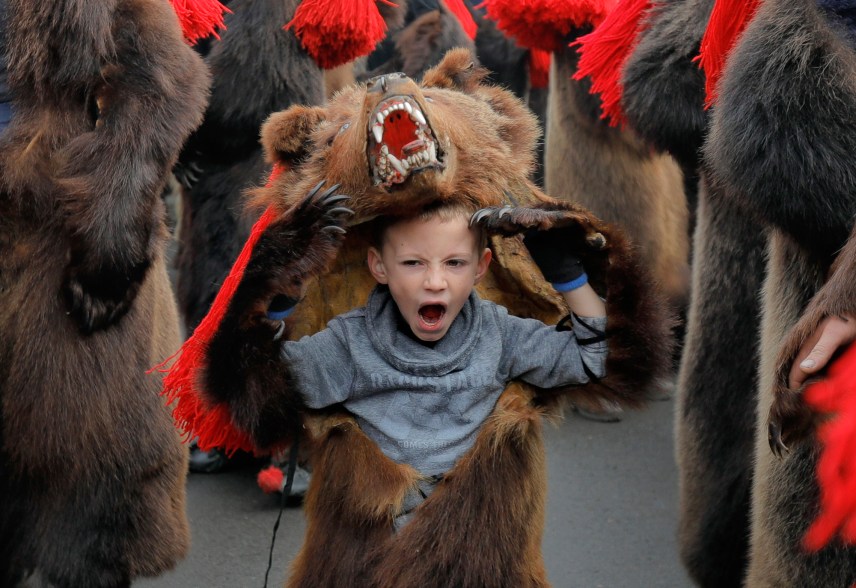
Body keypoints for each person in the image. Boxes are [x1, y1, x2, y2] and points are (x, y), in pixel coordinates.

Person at [263, 200, 608, 527]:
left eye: (454, 263)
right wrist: (282, 287)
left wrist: (567, 274)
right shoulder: (350, 345)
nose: (434, 282)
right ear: (379, 266)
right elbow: (265, 383)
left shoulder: (499, 334)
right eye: (413, 263)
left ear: (481, 267)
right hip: (375, 548)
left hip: (472, 543)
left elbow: (591, 359)